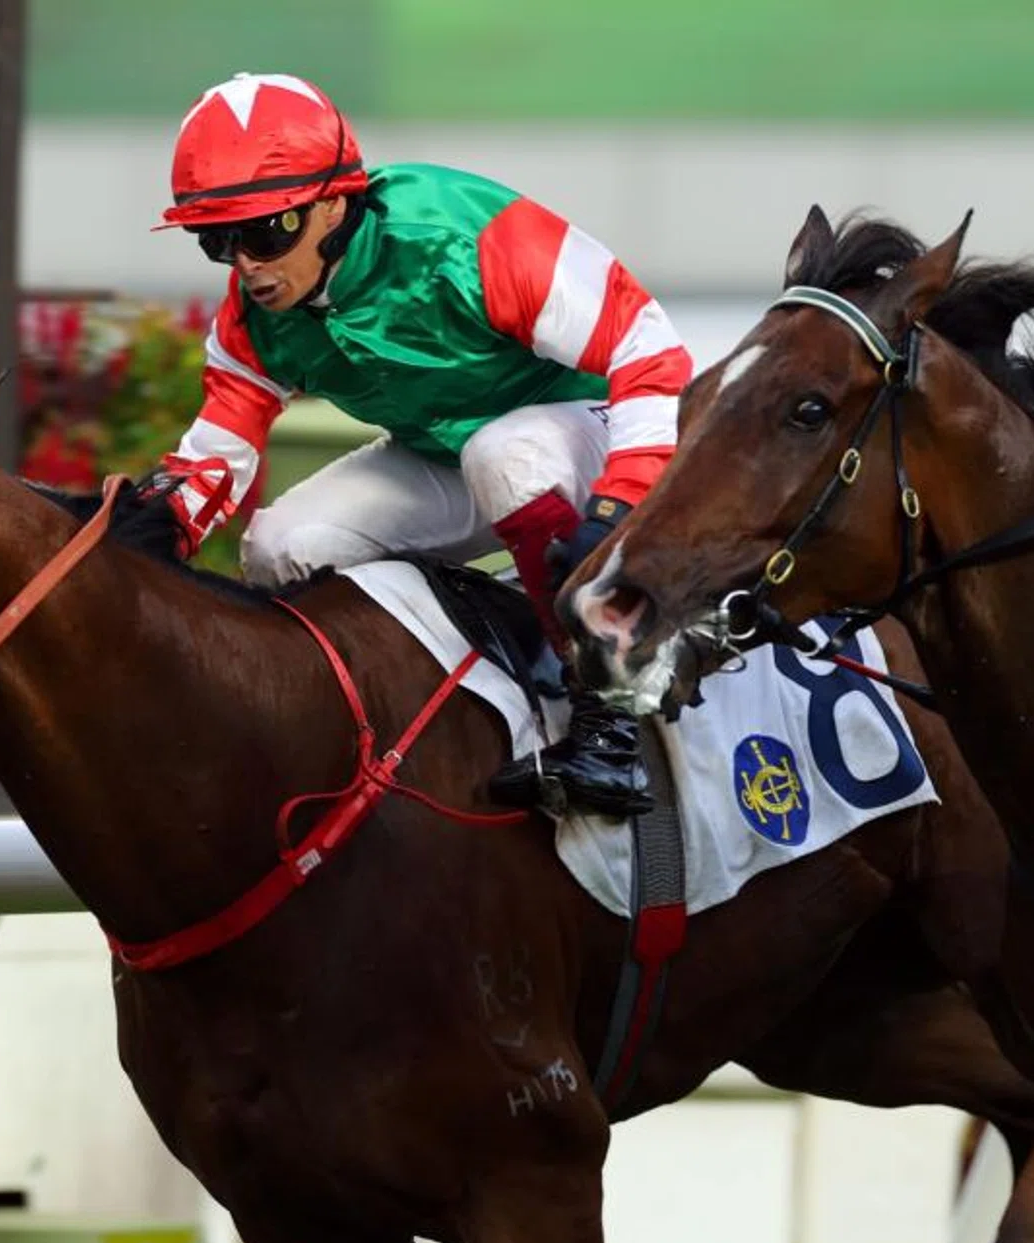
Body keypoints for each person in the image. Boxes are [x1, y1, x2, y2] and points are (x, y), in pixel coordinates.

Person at [149, 72, 692, 818]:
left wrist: (620, 502)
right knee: (285, 547)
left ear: (334, 203)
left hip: (600, 432)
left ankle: (608, 715)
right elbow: (216, 455)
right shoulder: (255, 314)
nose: (247, 263)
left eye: (268, 232)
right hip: (460, 458)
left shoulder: (461, 236)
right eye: (219, 241)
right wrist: (146, 529)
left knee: (504, 455)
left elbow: (650, 350)